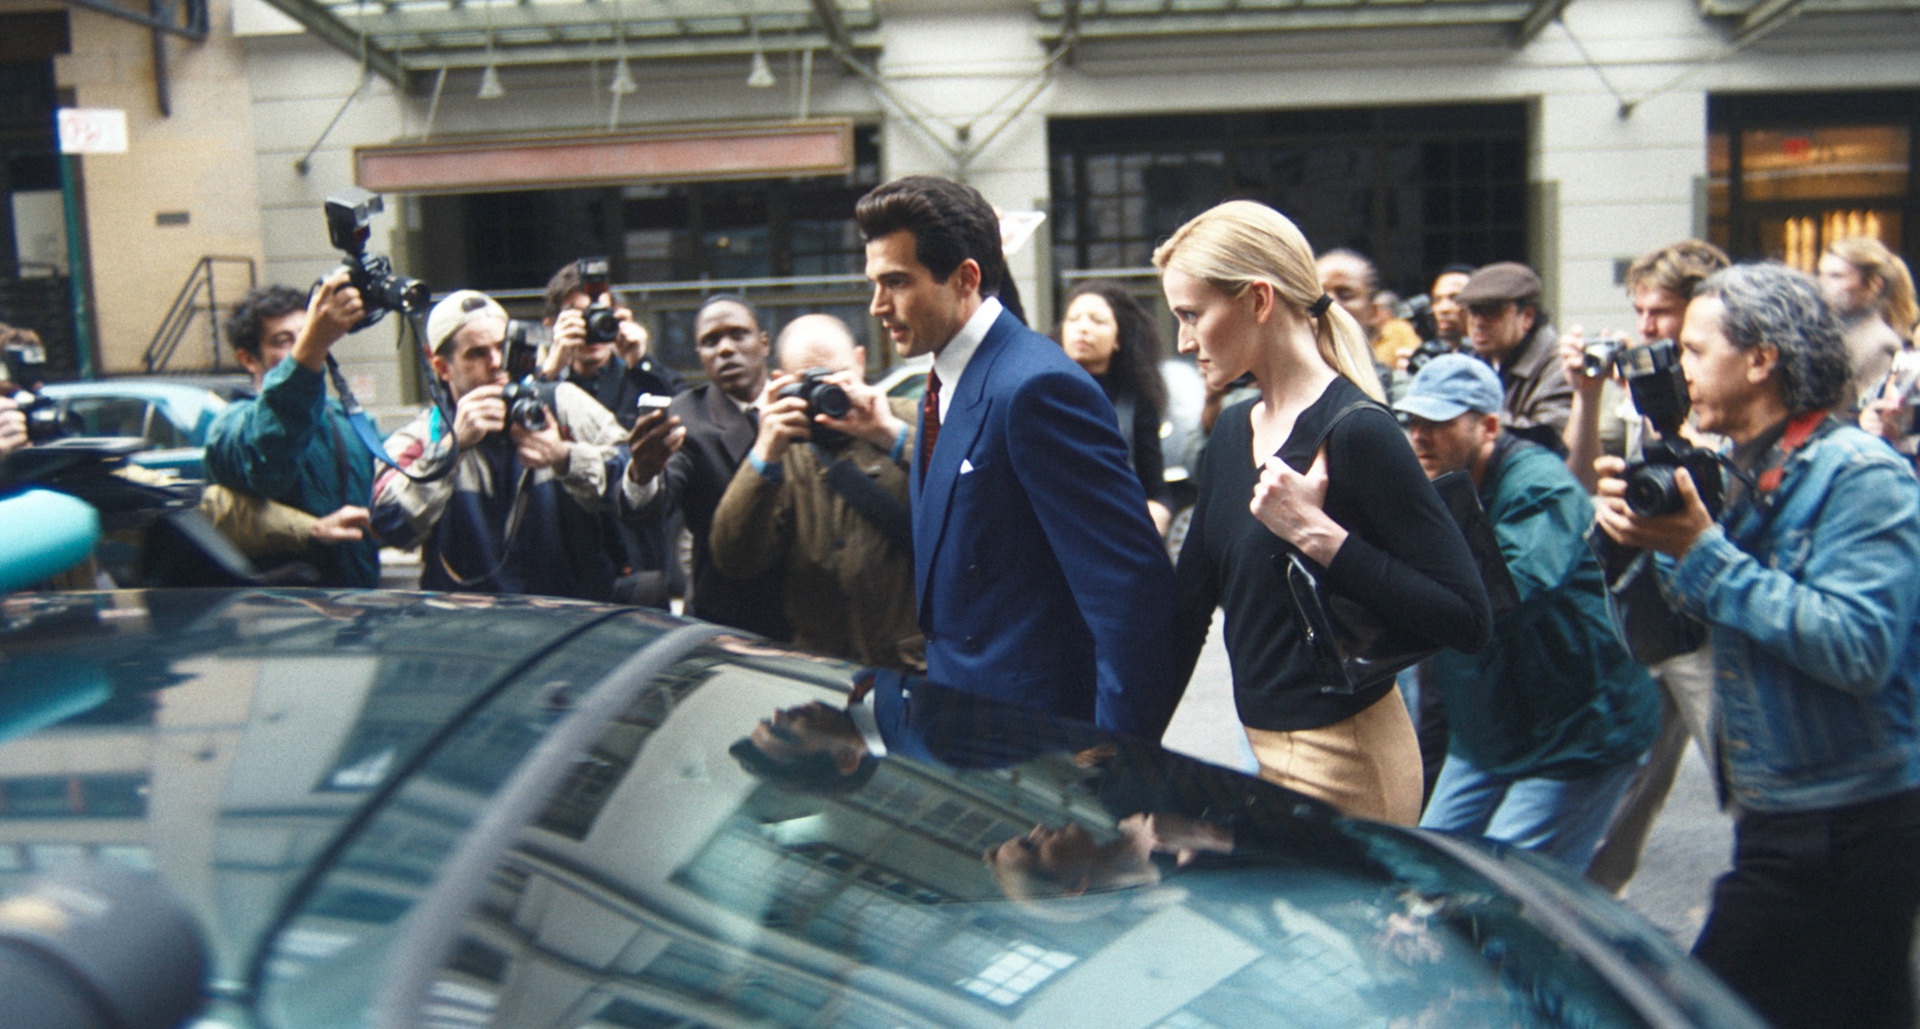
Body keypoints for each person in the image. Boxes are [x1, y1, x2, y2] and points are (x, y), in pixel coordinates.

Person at [1596, 262, 1920, 1029]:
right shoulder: (1737, 470)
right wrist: (1639, 544)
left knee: (1693, 1008)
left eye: (1696, 350)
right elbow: (1663, 641)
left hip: (1851, 816)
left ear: (1762, 359)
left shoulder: (1860, 474)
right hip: (1786, 810)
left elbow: (1857, 645)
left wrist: (1702, 548)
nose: (1680, 367)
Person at [1156, 200, 1491, 825]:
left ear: (1258, 300)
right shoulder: (1231, 432)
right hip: (1263, 754)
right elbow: (1186, 613)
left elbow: (1468, 617)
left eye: (1193, 315)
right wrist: (1125, 751)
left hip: (1354, 762)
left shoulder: (1359, 432)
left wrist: (1318, 535)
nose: (1184, 340)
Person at [856, 173, 1178, 739]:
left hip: (1037, 750)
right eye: (875, 283)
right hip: (968, 729)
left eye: (897, 282)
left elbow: (1130, 599)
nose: (878, 305)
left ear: (966, 279)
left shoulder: (1036, 387)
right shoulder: (949, 377)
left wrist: (1113, 768)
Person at [1395, 355, 1656, 865]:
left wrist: (1393, 592)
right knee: (1424, 869)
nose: (1420, 436)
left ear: (1488, 425)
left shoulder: (1539, 483)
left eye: (1439, 424)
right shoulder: (1432, 483)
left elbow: (1505, 595)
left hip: (1577, 734)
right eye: (1414, 422)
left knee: (1516, 893)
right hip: (1490, 731)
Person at [1556, 237, 1730, 894]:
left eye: (1660, 312)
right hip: (1649, 608)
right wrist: (1587, 396)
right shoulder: (1643, 388)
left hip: (1713, 621)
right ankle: (1588, 917)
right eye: (1640, 311)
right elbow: (1578, 482)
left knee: (1755, 783)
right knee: (1626, 779)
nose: (1646, 328)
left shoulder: (1727, 395)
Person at [372, 289, 631, 600]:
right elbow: (389, 525)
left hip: (566, 616)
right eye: (477, 353)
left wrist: (564, 457)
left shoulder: (559, 403)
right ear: (441, 367)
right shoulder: (425, 435)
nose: (496, 363)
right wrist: (451, 452)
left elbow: (637, 479)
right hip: (469, 629)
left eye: (502, 347)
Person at [708, 314, 923, 671]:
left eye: (838, 378)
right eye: (808, 383)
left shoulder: (907, 420)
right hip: (825, 671)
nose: (827, 394)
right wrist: (765, 453)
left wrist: (892, 436)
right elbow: (734, 557)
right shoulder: (781, 447)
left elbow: (975, 499)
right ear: (779, 383)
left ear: (860, 361)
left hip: (913, 665)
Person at [623, 294, 788, 639]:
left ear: (764, 342)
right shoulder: (687, 417)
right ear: (700, 355)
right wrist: (642, 474)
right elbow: (654, 505)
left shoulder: (797, 400)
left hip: (809, 619)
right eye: (710, 342)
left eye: (737, 335)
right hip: (730, 624)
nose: (725, 349)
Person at [202, 276, 379, 587]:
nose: (304, 346)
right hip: (285, 616)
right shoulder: (229, 427)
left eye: (306, 334)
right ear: (247, 358)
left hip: (361, 606)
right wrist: (313, 344)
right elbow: (269, 462)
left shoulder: (346, 419)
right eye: (284, 341)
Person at [1059, 280, 1176, 535]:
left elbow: (1154, 484)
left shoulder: (1136, 400)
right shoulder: (1043, 391)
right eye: (1073, 319)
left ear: (1118, 339)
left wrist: (1157, 511)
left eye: (1097, 321)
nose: (1083, 329)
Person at [538, 259, 686, 428]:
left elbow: (686, 417)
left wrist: (641, 362)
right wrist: (548, 373)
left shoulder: (638, 380)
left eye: (600, 315)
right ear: (553, 325)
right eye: (581, 317)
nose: (591, 326)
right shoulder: (548, 382)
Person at [1457, 261, 1570, 454]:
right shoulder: (1474, 360)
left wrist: (1470, 418)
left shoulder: (1560, 366)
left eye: (1492, 311)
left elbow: (1547, 438)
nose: (1478, 322)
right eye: (1473, 311)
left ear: (1527, 316)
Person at [1817, 236, 1915, 410]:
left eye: (1836, 276)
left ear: (1872, 285)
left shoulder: (1880, 343)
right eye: (1821, 274)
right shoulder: (1826, 329)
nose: (1822, 283)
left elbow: (1872, 416)